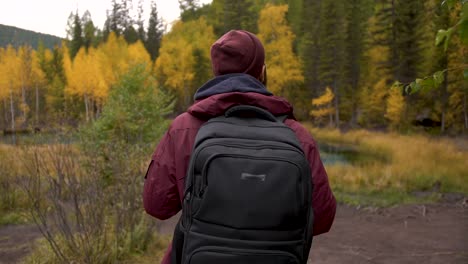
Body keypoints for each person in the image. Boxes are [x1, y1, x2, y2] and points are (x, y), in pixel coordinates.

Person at [143, 29, 336, 264]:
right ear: (262, 71)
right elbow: (322, 218)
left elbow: (156, 205)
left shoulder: (184, 128)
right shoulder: (296, 135)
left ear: (216, 71)